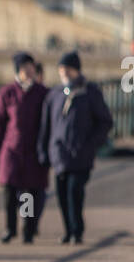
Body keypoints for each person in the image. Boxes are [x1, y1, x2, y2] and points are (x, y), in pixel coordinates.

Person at [37, 51, 113, 245]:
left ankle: (77, 230)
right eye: (61, 69)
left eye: (67, 69)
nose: (64, 72)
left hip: (81, 154)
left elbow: (105, 121)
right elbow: (46, 125)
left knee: (75, 192)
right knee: (61, 195)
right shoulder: (54, 94)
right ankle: (68, 230)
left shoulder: (90, 92)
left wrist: (92, 143)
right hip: (59, 153)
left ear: (76, 70)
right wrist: (44, 150)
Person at [0, 52, 49, 243]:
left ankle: (29, 229)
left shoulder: (42, 92)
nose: (29, 72)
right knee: (9, 190)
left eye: (31, 68)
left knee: (31, 192)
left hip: (34, 150)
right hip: (11, 149)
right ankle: (10, 227)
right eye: (25, 68)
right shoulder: (7, 93)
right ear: (18, 71)